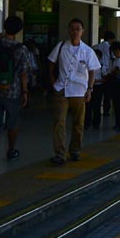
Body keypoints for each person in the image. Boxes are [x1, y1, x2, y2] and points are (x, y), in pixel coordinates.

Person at [47, 18, 100, 164]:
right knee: (59, 122)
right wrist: (53, 81)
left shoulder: (88, 51)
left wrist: (89, 89)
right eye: (72, 28)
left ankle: (75, 150)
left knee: (78, 123)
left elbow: (92, 72)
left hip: (79, 92)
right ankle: (60, 154)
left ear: (82, 31)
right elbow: (51, 63)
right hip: (62, 89)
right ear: (68, 31)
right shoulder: (61, 46)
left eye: (78, 29)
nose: (75, 31)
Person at [0, 16, 30, 169]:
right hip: (13, 91)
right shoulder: (21, 48)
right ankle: (11, 150)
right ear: (19, 30)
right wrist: (25, 92)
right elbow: (24, 73)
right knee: (13, 122)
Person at [94, 31, 115, 116]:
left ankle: (96, 108)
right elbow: (113, 58)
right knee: (107, 92)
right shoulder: (110, 47)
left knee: (97, 92)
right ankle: (106, 110)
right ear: (110, 39)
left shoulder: (97, 46)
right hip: (106, 70)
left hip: (97, 68)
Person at [86, 48, 105, 129]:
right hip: (89, 87)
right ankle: (87, 123)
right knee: (88, 105)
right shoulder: (87, 66)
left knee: (97, 106)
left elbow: (105, 78)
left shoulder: (102, 66)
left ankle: (96, 123)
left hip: (98, 87)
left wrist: (96, 81)